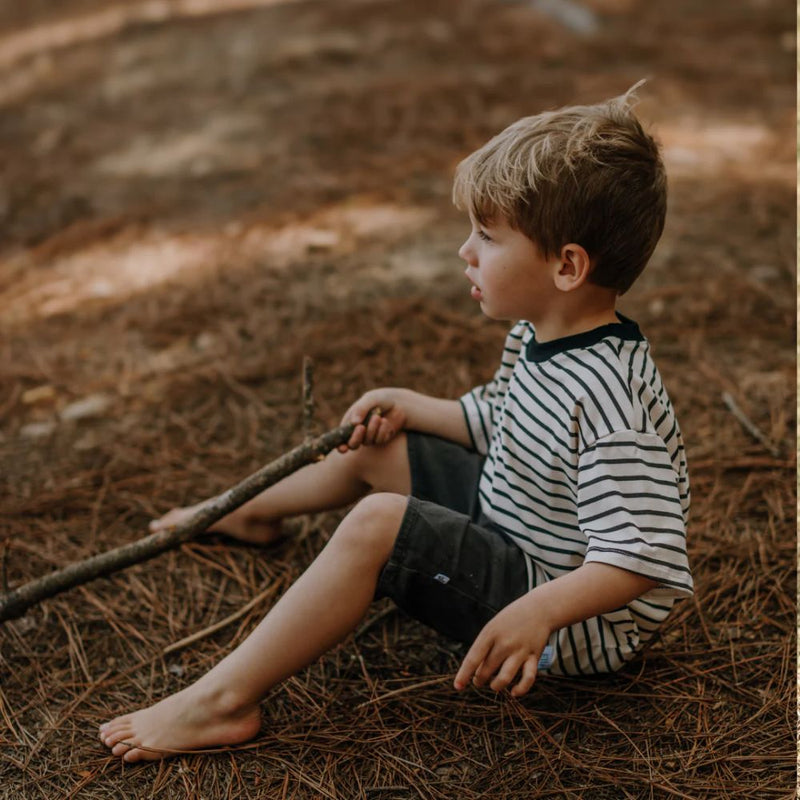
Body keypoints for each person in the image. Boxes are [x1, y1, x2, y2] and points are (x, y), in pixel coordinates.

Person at [99, 85, 692, 763]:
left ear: (567, 265)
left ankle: (221, 703)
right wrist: (411, 403)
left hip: (564, 619)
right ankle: (235, 511)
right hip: (516, 524)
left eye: (488, 237)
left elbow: (643, 553)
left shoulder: (612, 397)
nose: (465, 252)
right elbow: (500, 422)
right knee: (380, 447)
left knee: (379, 524)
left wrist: (539, 613)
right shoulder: (538, 333)